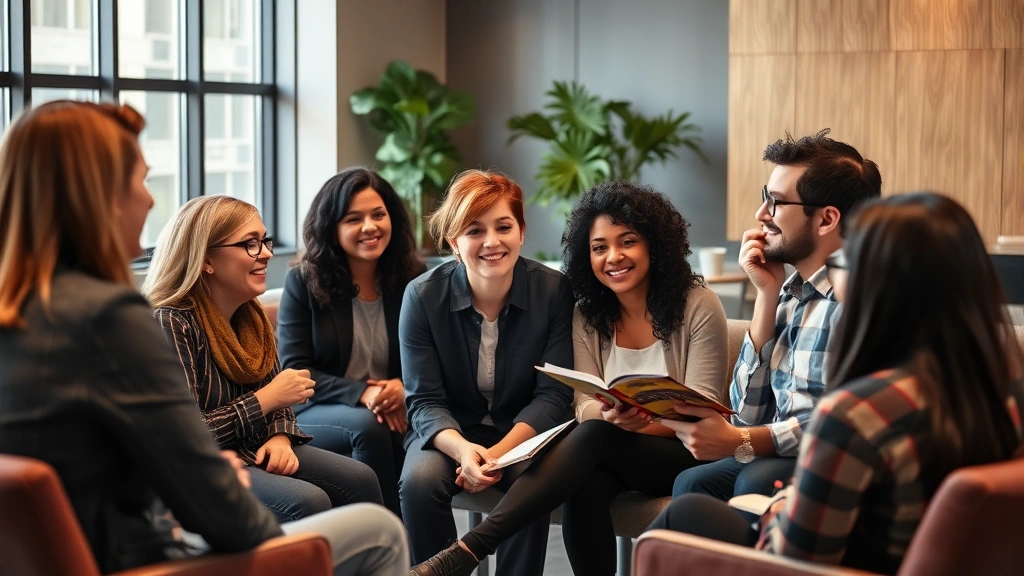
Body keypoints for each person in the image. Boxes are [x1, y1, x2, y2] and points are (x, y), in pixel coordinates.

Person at [0, 100, 408, 576]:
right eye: (141, 181)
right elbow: (219, 511)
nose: (151, 200)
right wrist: (225, 482)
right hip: (141, 555)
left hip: (84, 547)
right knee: (379, 533)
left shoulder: (25, 310)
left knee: (352, 486)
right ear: (99, 195)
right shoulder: (114, 317)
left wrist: (252, 448)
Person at [648, 192, 1024, 574]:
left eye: (844, 261)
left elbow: (794, 561)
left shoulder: (856, 414)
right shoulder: (1004, 392)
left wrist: (779, 509)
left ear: (874, 284)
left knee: (688, 514)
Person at [411, 181, 730, 576]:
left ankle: (470, 548)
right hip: (609, 449)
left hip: (683, 452)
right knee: (586, 479)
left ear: (654, 244)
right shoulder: (589, 312)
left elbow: (702, 407)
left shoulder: (698, 304)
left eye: (627, 241)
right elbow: (581, 400)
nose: (614, 256)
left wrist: (618, 422)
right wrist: (609, 417)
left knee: (592, 437)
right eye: (599, 247)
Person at [666, 129, 882, 501]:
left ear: (827, 219)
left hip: (842, 461)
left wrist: (745, 440)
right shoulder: (789, 291)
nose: (761, 214)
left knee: (755, 481)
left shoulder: (867, 301)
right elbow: (744, 416)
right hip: (778, 454)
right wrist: (766, 296)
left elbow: (853, 422)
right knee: (692, 482)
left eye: (776, 202)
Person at [143, 194, 386, 523]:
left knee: (361, 479)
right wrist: (263, 401)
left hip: (253, 446)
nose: (267, 253)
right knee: (307, 501)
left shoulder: (250, 315)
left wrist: (280, 437)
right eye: (251, 244)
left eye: (265, 241)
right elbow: (183, 435)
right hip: (199, 467)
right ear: (206, 259)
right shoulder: (171, 322)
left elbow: (280, 397)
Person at [398, 169, 574, 576]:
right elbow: (423, 400)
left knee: (532, 479)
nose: (492, 242)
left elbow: (553, 395)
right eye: (475, 230)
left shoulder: (554, 291)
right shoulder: (421, 297)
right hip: (451, 430)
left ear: (522, 231)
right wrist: (463, 450)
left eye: (504, 226)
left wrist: (497, 454)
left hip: (522, 432)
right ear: (454, 242)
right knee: (420, 484)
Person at [277, 168, 424, 517]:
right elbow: (296, 370)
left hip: (394, 403)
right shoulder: (303, 281)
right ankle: (388, 541)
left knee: (394, 428)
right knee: (370, 427)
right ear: (332, 228)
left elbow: (432, 356)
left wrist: (402, 388)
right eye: (353, 218)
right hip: (315, 409)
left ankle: (420, 554)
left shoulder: (414, 281)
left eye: (378, 214)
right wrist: (363, 393)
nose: (370, 226)